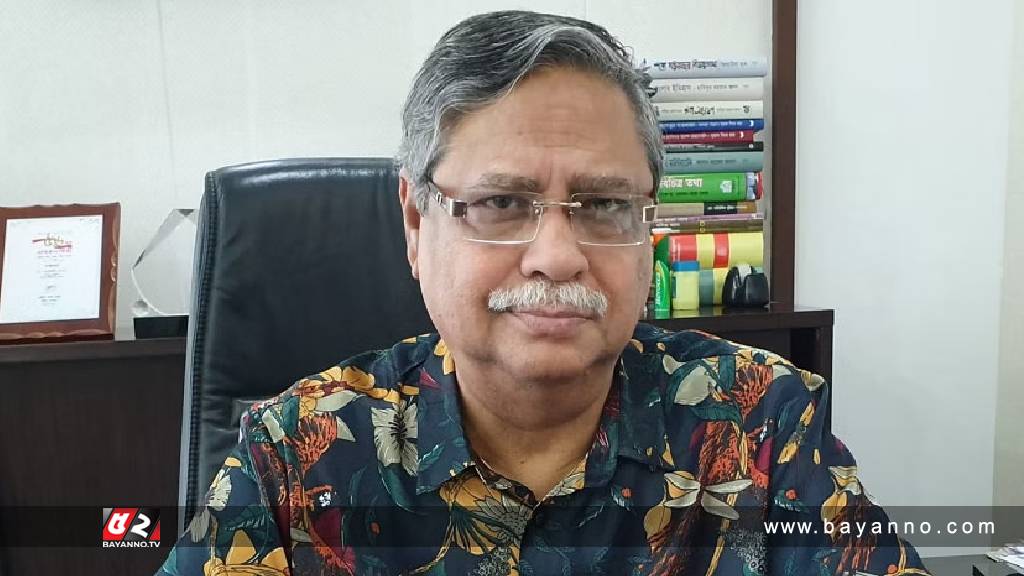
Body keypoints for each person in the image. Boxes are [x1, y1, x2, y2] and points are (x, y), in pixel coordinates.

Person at [156, 10, 929, 576]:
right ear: (416, 224)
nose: (557, 257)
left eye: (604, 205)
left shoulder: (761, 423)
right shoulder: (295, 456)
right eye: (501, 203)